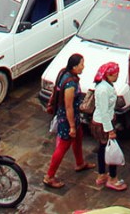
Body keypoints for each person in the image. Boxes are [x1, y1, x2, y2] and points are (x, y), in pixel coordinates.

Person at [44, 52, 88, 189]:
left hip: (72, 116)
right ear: (74, 67)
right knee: (63, 145)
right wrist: (72, 127)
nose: (83, 67)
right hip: (67, 118)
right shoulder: (70, 85)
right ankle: (49, 176)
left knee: (78, 137)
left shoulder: (65, 73)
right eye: (81, 64)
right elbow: (68, 106)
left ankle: (80, 162)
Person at [91, 60, 128, 193]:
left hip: (103, 122)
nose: (117, 77)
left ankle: (102, 174)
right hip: (103, 124)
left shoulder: (106, 85)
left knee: (102, 148)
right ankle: (112, 177)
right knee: (111, 150)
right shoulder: (103, 90)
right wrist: (110, 130)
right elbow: (104, 112)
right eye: (114, 75)